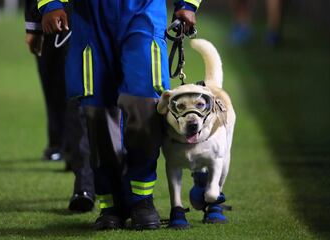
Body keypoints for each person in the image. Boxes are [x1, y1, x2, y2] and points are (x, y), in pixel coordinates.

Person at [37, 0, 200, 230]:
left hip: (143, 9)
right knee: (97, 112)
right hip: (90, 16)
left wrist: (188, 4)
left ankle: (142, 199)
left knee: (144, 102)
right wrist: (51, 3)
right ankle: (110, 203)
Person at [25, 0, 95, 212]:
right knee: (74, 94)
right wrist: (34, 24)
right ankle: (83, 180)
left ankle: (118, 185)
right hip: (67, 12)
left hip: (119, 13)